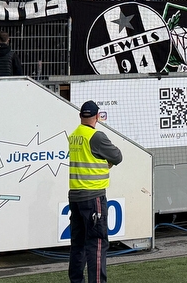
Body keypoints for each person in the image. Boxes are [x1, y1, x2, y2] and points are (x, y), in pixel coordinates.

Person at [68, 101, 122, 283]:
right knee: (97, 244)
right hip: (93, 197)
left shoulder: (75, 135)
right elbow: (117, 156)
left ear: (80, 116)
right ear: (98, 116)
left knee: (78, 244)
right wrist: (107, 164)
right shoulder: (96, 137)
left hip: (75, 195)